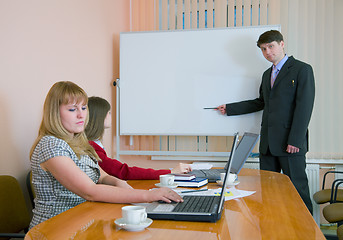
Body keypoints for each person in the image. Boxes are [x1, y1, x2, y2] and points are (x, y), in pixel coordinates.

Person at [29, 81, 183, 228]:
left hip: (82, 219)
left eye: (83, 108)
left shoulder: (78, 142)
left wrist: (118, 182)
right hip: (56, 227)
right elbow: (90, 191)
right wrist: (149, 195)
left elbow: (101, 176)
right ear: (54, 113)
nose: (81, 115)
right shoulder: (50, 144)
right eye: (72, 109)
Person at [216, 30, 315, 214]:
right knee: (270, 193)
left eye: (271, 46)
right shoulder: (265, 74)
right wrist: (230, 108)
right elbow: (261, 102)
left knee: (298, 192)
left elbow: (305, 107)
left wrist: (295, 139)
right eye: (263, 49)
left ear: (282, 44)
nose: (268, 52)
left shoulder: (302, 69)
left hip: (290, 144)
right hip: (268, 145)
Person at [85, 96, 192, 180]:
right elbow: (123, 172)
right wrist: (170, 172)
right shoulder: (91, 147)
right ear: (99, 117)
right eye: (108, 113)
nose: (111, 116)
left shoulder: (94, 143)